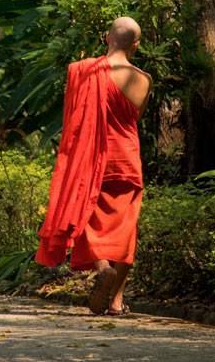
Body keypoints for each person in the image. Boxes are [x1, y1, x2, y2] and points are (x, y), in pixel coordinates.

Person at [35, 16, 152, 316]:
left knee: (85, 216)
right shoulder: (144, 79)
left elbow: (75, 119)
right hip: (126, 159)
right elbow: (134, 117)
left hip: (90, 159)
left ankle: (103, 267)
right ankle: (116, 300)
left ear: (106, 37)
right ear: (136, 46)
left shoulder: (84, 72)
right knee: (126, 230)